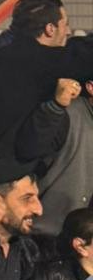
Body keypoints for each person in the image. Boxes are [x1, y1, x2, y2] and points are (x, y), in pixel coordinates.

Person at [0, 0, 93, 177]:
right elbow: (80, 55)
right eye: (65, 24)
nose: (68, 31)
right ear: (50, 29)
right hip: (9, 172)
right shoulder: (45, 61)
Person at [37, 78, 93, 234]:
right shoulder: (68, 112)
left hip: (75, 237)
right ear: (90, 87)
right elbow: (28, 151)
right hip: (40, 227)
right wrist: (55, 107)